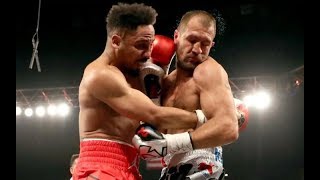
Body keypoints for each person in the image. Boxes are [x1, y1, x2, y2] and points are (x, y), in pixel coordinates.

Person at [72, 3, 207, 180]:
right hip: (99, 168)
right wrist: (206, 117)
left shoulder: (138, 74)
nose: (148, 53)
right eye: (141, 45)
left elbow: (158, 124)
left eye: (151, 45)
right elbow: (155, 114)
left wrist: (161, 73)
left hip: (129, 167)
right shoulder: (99, 74)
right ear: (116, 41)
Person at [132, 10, 248, 179]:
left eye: (205, 44)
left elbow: (228, 128)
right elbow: (153, 139)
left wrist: (170, 143)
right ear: (177, 36)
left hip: (203, 166)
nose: (197, 50)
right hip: (170, 169)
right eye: (192, 40)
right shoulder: (165, 82)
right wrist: (153, 93)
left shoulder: (208, 70)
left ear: (212, 45)